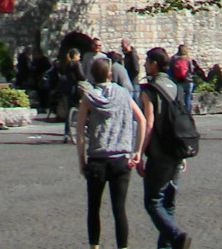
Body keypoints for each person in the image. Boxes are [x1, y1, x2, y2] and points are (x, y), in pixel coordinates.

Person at [71, 56, 147, 249]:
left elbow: (79, 131)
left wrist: (81, 160)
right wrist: (137, 151)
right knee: (119, 210)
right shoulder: (123, 94)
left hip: (97, 158)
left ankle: (94, 246)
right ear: (110, 75)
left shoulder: (89, 98)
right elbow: (142, 120)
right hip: (121, 158)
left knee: (94, 208)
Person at [137, 47, 192, 249]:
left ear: (154, 64)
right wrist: (183, 153)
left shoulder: (149, 91)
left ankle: (176, 236)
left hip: (159, 153)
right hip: (176, 151)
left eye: (147, 61)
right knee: (168, 204)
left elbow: (149, 124)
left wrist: (139, 153)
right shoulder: (175, 86)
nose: (144, 64)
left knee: (152, 202)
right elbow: (179, 119)